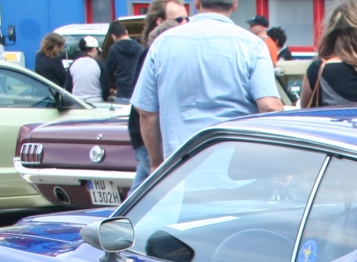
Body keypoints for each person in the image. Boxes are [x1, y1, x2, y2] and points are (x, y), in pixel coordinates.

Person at [132, 0, 284, 170]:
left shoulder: (162, 44)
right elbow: (270, 107)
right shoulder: (253, 45)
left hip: (179, 170)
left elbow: (147, 114)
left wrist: (156, 164)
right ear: (234, 4)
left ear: (197, 3)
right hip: (237, 171)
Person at [127, 0, 189, 189]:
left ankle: (124, 218)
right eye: (179, 19)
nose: (186, 23)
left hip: (159, 141)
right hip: (154, 142)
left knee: (140, 198)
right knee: (158, 195)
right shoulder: (154, 53)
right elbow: (145, 109)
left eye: (188, 18)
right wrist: (155, 159)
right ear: (160, 21)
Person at [100, 20, 143, 103]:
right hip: (138, 93)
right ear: (126, 32)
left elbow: (107, 70)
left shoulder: (114, 49)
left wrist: (110, 87)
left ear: (113, 36)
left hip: (122, 93)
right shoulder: (140, 48)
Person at [69, 37, 103, 102]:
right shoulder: (99, 65)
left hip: (77, 102)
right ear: (94, 49)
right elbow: (105, 87)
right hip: (96, 101)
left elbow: (68, 86)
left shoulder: (73, 64)